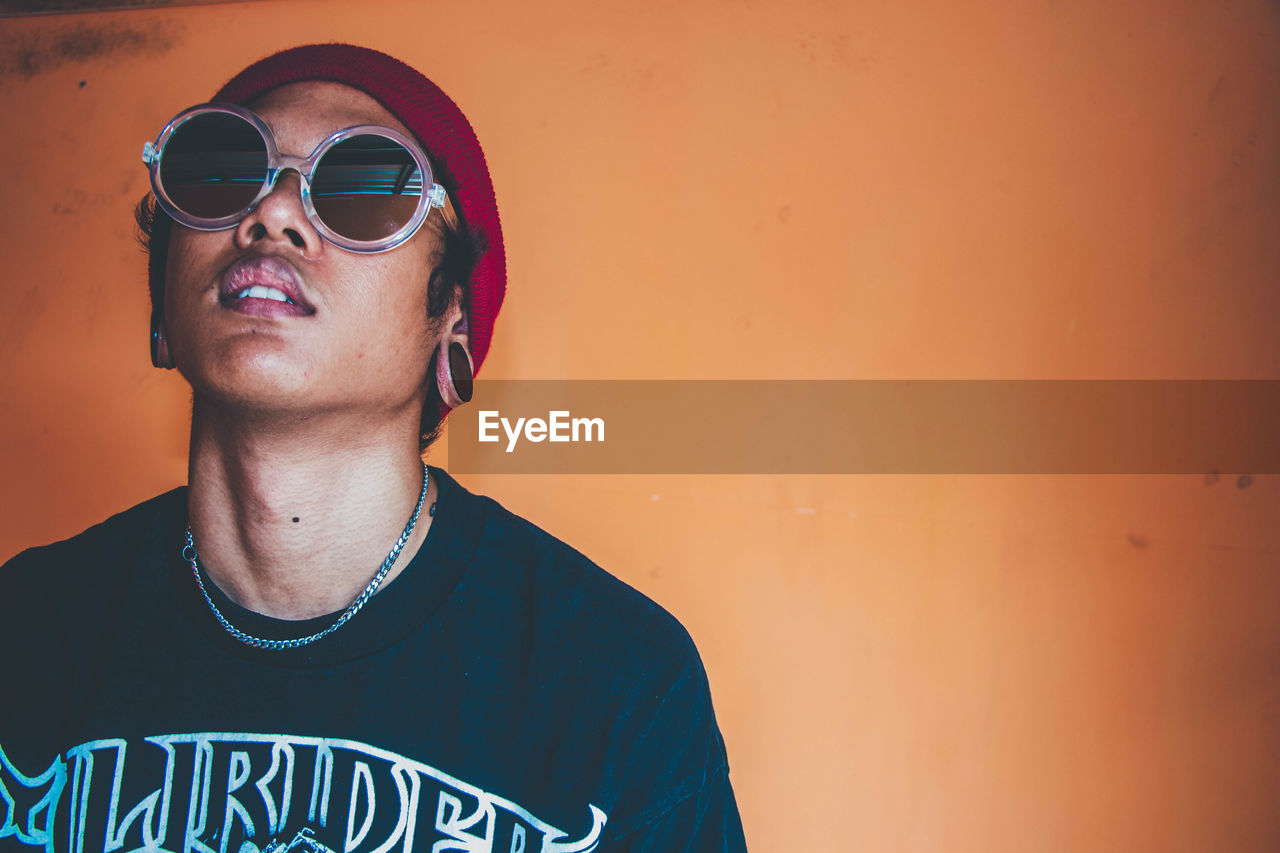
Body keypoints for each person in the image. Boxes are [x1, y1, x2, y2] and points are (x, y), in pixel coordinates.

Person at [0, 44, 746, 853]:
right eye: (219, 170)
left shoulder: (614, 682)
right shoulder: (28, 633)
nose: (272, 214)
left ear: (450, 322)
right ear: (160, 308)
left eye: (361, 188)